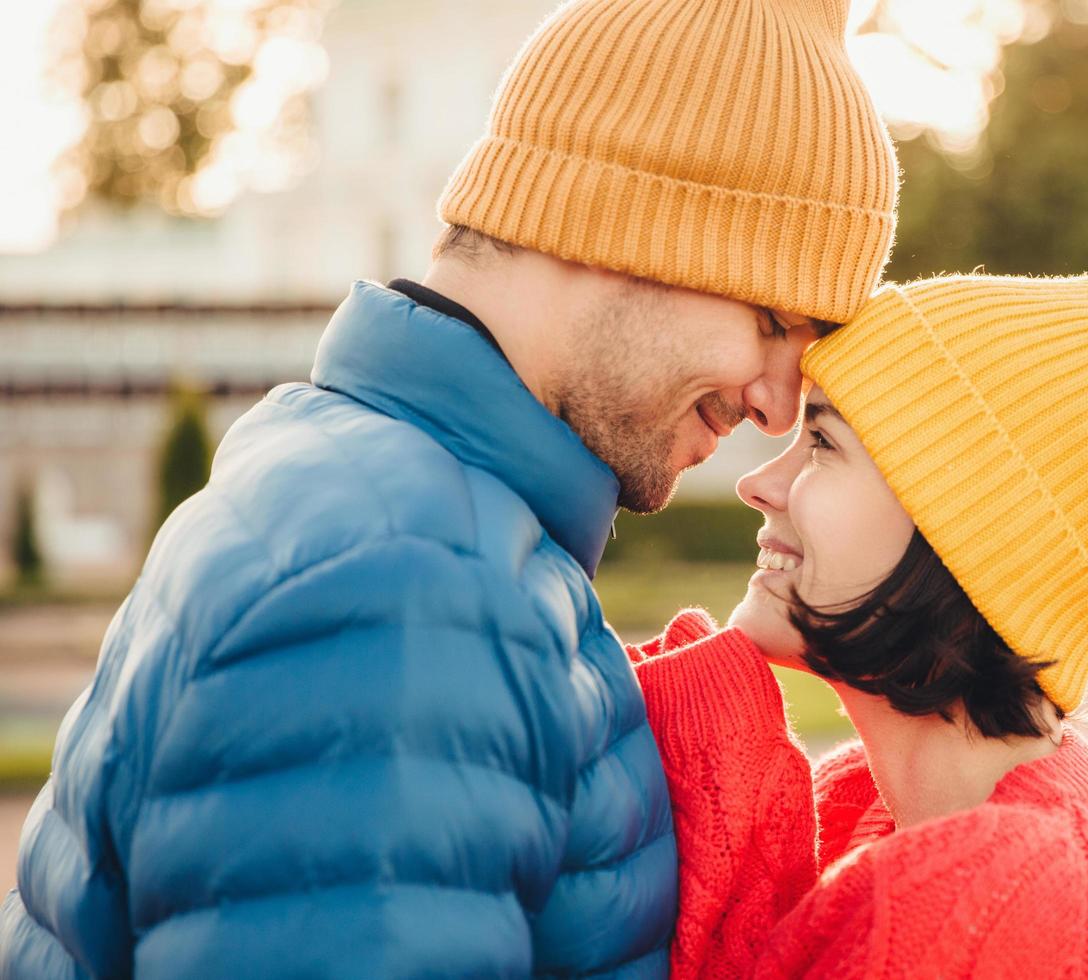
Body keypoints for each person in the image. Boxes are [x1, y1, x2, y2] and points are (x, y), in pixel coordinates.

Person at [0, 0, 898, 975]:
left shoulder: (395, 502)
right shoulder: (404, 578)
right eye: (772, 318)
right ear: (617, 223)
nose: (777, 406)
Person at [626, 251, 1088, 977]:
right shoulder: (877, 811)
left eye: (821, 442)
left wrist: (696, 721)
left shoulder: (1003, 901)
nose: (759, 484)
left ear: (969, 534)